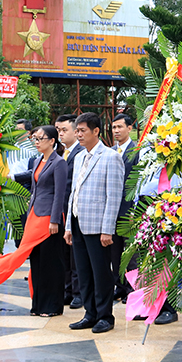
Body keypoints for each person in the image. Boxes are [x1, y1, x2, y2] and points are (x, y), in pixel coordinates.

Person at [0, 125, 68, 316]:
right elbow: (31, 179)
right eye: (35, 138)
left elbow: (60, 194)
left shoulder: (59, 162)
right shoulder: (37, 161)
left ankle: (52, 306)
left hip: (49, 218)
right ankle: (38, 304)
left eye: (40, 138)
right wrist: (9, 177)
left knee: (50, 262)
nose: (36, 142)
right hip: (34, 214)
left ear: (52, 141)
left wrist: (55, 220)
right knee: (36, 261)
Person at [65, 112, 126, 334]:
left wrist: (107, 230)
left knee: (101, 272)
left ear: (96, 131)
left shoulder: (111, 157)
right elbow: (74, 191)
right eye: (77, 130)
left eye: (82, 130)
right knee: (83, 271)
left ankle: (105, 316)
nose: (78, 134)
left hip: (99, 226)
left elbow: (114, 196)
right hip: (79, 221)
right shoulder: (80, 156)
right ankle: (90, 313)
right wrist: (69, 225)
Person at [55, 114, 84, 309]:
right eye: (58, 130)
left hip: (75, 211)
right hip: (61, 211)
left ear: (75, 131)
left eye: (64, 130)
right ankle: (66, 290)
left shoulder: (81, 153)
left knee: (76, 256)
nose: (60, 134)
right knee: (63, 254)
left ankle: (78, 293)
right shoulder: (60, 153)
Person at [110, 113, 139, 302]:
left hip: (129, 210)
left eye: (120, 127)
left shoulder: (137, 151)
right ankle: (119, 286)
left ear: (130, 128)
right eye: (113, 128)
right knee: (115, 251)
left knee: (131, 252)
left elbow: (137, 182)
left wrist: (135, 210)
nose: (116, 131)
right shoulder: (110, 151)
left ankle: (132, 289)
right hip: (112, 209)